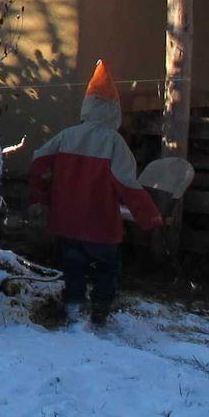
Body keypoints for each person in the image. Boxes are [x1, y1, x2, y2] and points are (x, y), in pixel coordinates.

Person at [26, 60, 162, 328]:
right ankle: (100, 309)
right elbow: (128, 185)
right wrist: (149, 217)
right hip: (101, 224)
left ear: (87, 106)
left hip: (67, 221)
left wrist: (40, 198)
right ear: (114, 111)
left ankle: (74, 305)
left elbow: (38, 163)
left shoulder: (67, 136)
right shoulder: (115, 143)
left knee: (73, 266)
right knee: (107, 268)